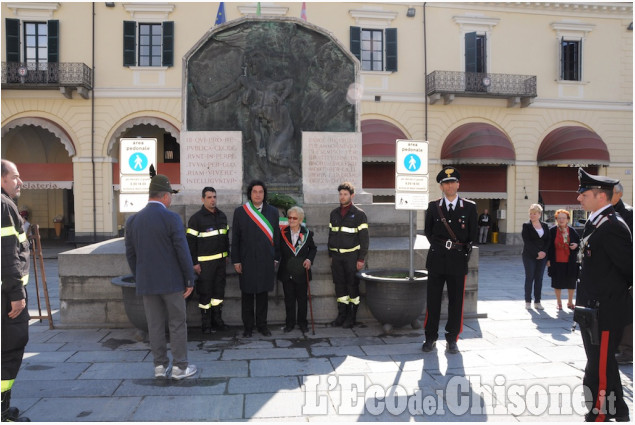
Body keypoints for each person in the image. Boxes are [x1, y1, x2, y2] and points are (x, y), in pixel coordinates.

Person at [125, 174, 197, 380]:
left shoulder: (133, 220)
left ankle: (159, 366)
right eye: (171, 196)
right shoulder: (172, 218)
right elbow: (182, 251)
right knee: (176, 323)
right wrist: (189, 279)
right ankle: (180, 367)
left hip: (147, 282)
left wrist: (140, 276)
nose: (171, 199)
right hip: (172, 282)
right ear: (165, 196)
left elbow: (130, 254)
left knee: (154, 325)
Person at [575, 168, 632, 422]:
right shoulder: (596, 222)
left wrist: (612, 303)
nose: (579, 198)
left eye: (583, 193)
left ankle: (599, 413)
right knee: (603, 364)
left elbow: (629, 269)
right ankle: (619, 411)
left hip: (605, 311)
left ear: (600, 196)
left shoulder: (611, 227)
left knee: (598, 368)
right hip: (592, 309)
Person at [421, 167, 477, 354]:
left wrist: (457, 248)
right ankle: (430, 337)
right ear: (441, 186)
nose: (450, 185)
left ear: (458, 184)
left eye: (453, 182)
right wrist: (441, 247)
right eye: (446, 183)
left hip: (458, 260)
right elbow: (428, 232)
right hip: (436, 259)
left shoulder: (469, 207)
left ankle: (452, 338)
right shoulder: (433, 206)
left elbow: (473, 234)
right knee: (433, 301)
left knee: (456, 301)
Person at [1, 160, 31, 421]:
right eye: (15, 177)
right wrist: (16, 295)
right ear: (1, 179)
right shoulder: (4, 206)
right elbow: (8, 254)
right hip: (6, 297)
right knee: (10, 349)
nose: (20, 182)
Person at [231, 180, 281, 337]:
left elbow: (276, 237)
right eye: (255, 191)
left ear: (264, 194)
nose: (258, 194)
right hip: (246, 260)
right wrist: (236, 260)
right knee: (247, 294)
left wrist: (276, 257)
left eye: (261, 192)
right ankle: (248, 327)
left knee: (262, 295)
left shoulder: (273, 212)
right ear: (250, 194)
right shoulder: (240, 212)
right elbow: (236, 238)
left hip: (266, 259)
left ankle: (262, 325)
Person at [186, 187, 230, 334]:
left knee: (218, 292)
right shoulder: (196, 219)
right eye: (209, 197)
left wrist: (226, 255)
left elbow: (225, 237)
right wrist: (194, 263)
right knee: (205, 293)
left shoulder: (222, 216)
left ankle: (217, 320)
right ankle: (206, 324)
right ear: (203, 199)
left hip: (220, 263)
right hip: (204, 265)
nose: (213, 200)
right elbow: (190, 243)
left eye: (214, 197)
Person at [328, 182, 369, 329]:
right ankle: (341, 316)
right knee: (340, 288)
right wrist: (331, 254)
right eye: (340, 194)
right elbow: (331, 234)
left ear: (351, 196)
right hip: (337, 258)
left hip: (352, 257)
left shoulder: (359, 214)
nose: (342, 197)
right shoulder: (334, 213)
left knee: (352, 288)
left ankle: (352, 318)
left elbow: (364, 239)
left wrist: (361, 258)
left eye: (345, 194)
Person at [277, 206, 317, 333]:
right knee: (289, 299)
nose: (291, 220)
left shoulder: (307, 234)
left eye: (294, 218)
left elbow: (313, 249)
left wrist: (309, 260)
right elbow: (277, 249)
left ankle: (302, 323)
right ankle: (289, 323)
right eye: (289, 217)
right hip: (286, 271)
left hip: (301, 272)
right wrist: (275, 259)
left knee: (302, 299)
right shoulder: (282, 233)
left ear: (300, 219)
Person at [611, 182, 633, 365]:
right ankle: (618, 347)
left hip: (626, 272)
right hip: (613, 272)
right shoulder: (606, 212)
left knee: (627, 313)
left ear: (618, 194)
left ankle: (627, 350)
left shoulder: (629, 213)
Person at [546, 209, 580, 310]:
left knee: (571, 282)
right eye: (559, 218)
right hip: (556, 260)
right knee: (557, 282)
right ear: (556, 219)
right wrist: (548, 260)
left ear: (568, 219)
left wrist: (576, 245)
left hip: (570, 261)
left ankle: (570, 302)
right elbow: (548, 246)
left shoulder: (572, 231)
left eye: (563, 218)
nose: (561, 220)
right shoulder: (552, 231)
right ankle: (559, 302)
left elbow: (579, 243)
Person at [521, 203, 550, 310]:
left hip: (543, 256)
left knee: (539, 278)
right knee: (530, 277)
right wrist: (537, 252)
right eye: (530, 213)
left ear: (539, 214)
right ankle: (528, 301)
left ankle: (537, 301)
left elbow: (548, 241)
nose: (532, 215)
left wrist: (544, 252)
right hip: (529, 255)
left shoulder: (545, 226)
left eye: (534, 213)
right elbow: (527, 241)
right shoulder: (526, 226)